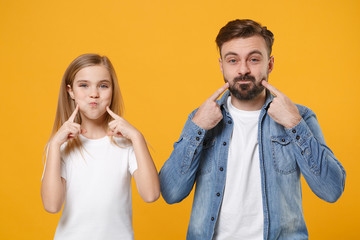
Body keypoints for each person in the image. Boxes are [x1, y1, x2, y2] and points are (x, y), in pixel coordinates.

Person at [159, 19, 346, 240]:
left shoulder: (300, 117)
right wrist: (196, 128)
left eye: (254, 59)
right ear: (222, 66)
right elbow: (170, 193)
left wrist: (295, 125)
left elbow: (331, 190)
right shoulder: (200, 119)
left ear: (270, 64)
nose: (243, 70)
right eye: (233, 60)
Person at [41, 53, 160, 240]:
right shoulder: (60, 146)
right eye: (84, 85)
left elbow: (151, 194)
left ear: (113, 91)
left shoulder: (127, 143)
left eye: (103, 85)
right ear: (70, 91)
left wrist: (137, 137)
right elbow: (51, 205)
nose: (94, 93)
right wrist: (55, 145)